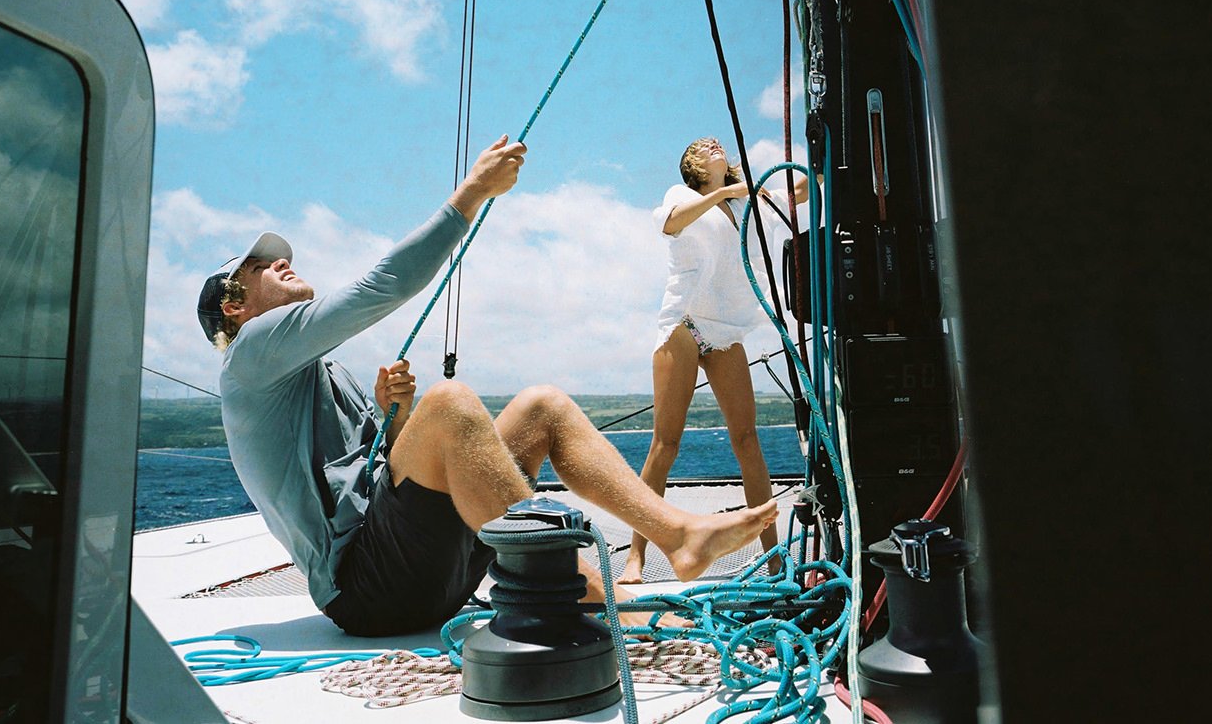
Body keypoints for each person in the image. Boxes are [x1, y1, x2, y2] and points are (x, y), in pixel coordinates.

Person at [195, 135, 778, 636]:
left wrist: (393, 416)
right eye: (257, 267)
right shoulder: (248, 357)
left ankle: (675, 536)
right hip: (368, 594)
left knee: (541, 406)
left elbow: (391, 472)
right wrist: (471, 194)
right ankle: (596, 594)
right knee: (449, 402)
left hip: (425, 572)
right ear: (235, 309)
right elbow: (381, 287)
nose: (279, 262)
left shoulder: (323, 373)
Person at [619, 137, 808, 584]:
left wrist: (825, 156)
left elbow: (801, 190)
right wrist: (724, 193)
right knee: (666, 444)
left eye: (715, 142)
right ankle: (636, 557)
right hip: (685, 324)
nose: (713, 145)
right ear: (693, 166)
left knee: (747, 440)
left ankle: (774, 558)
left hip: (724, 332)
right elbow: (671, 223)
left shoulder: (751, 203)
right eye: (702, 147)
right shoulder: (681, 196)